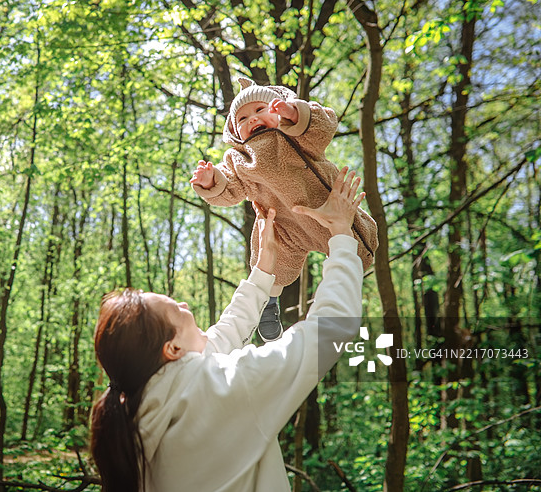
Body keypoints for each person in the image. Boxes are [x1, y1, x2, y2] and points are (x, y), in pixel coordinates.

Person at [90, 167, 366, 492]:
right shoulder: (227, 387)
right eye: (175, 310)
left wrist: (264, 269)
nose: (185, 307)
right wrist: (342, 238)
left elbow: (225, 334)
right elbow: (332, 330)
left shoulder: (140, 412)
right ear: (172, 350)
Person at [190, 78, 378, 342]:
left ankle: (344, 291)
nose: (252, 119)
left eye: (259, 110)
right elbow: (230, 188)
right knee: (268, 258)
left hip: (324, 207)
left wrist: (295, 114)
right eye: (242, 119)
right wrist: (210, 181)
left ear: (277, 109)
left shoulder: (295, 136)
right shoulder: (239, 158)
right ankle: (268, 301)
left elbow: (324, 126)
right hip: (282, 224)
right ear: (234, 131)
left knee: (356, 244)